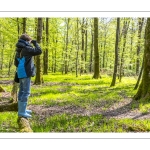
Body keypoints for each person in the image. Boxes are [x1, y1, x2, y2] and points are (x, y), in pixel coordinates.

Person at [14, 33, 42, 118]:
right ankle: (21, 112)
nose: (30, 42)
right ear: (26, 40)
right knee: (26, 92)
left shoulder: (19, 48)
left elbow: (16, 62)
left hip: (20, 72)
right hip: (26, 72)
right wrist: (35, 43)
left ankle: (22, 110)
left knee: (22, 91)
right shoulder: (26, 48)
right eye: (29, 41)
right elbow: (39, 51)